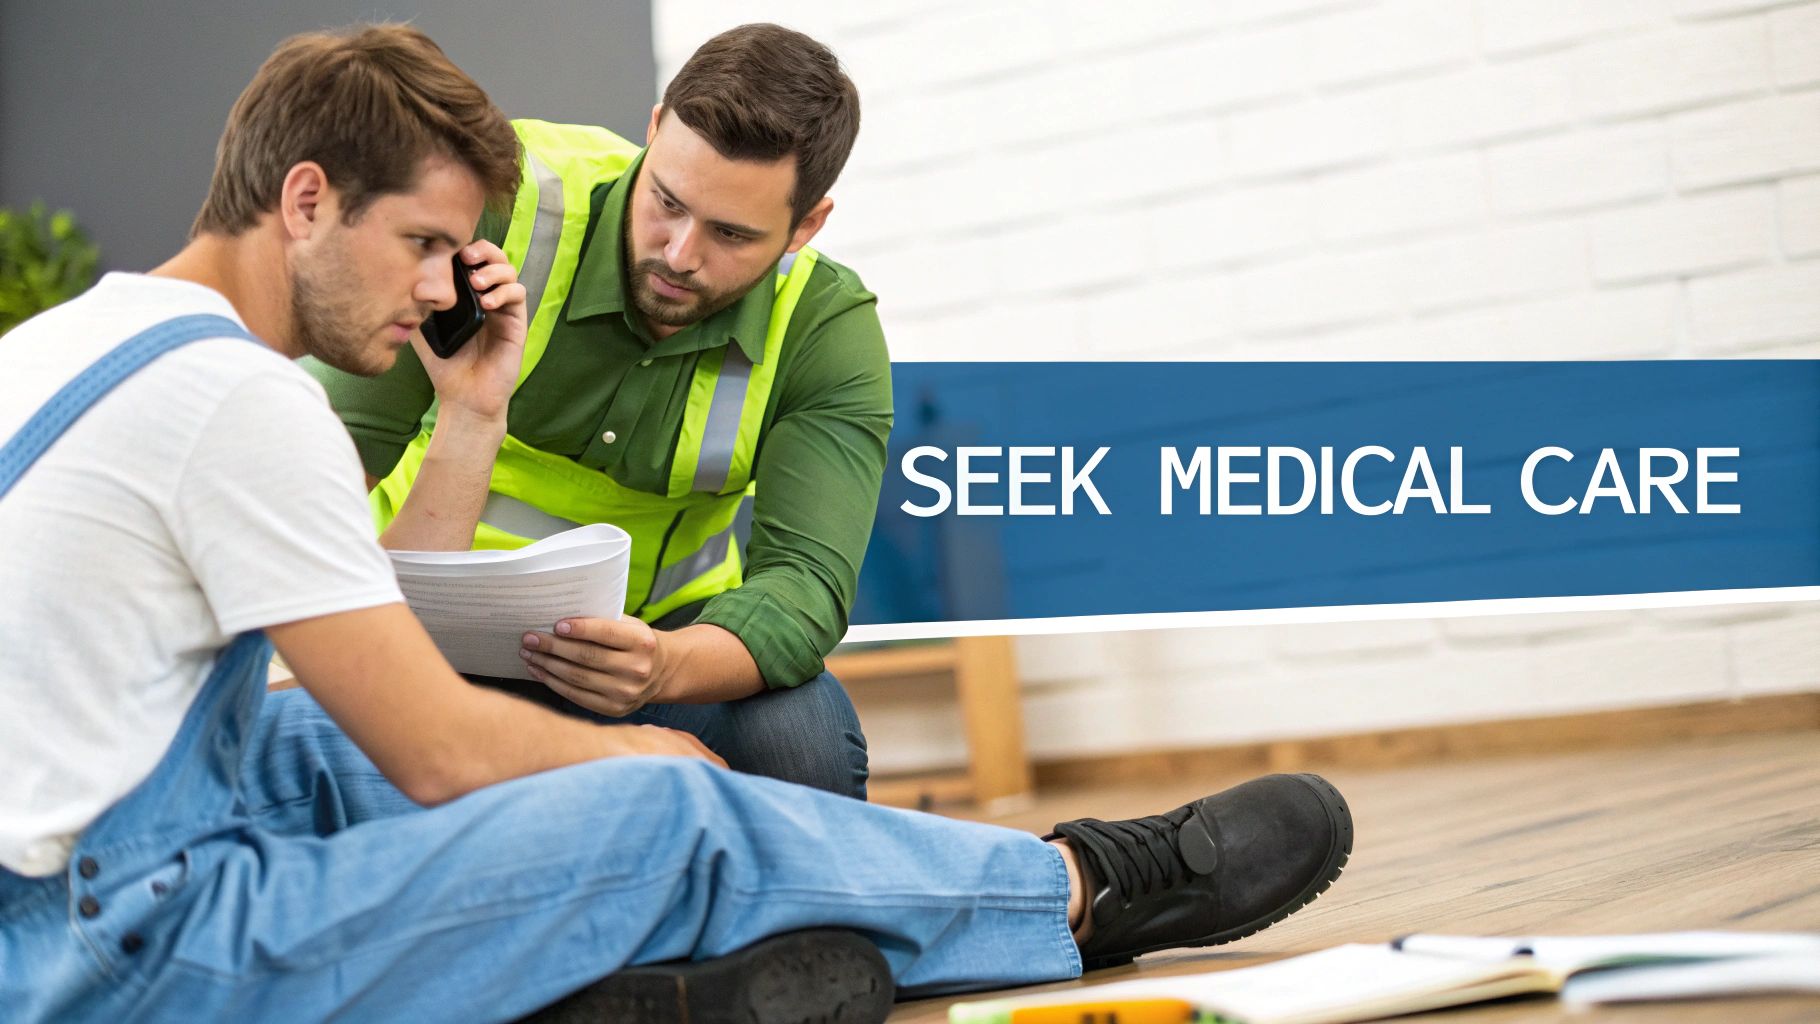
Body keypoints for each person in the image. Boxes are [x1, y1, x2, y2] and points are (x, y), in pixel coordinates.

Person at [0, 24, 1354, 1024]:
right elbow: (431, 745)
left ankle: (636, 998)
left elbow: (375, 654)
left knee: (302, 748)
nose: (433, 290)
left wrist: (469, 413)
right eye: (419, 243)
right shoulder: (242, 402)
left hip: (47, 908)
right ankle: (1078, 890)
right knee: (655, 804)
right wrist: (651, 755)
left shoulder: (77, 341)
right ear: (306, 200)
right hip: (122, 946)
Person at [308, 23, 889, 798]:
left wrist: (663, 665)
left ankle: (801, 924)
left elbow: (806, 585)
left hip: (662, 647)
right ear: (652, 134)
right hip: (433, 638)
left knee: (806, 742)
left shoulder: (822, 325)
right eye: (667, 202)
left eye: (729, 234)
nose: (680, 254)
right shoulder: (498, 202)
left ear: (806, 225)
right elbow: (323, 463)